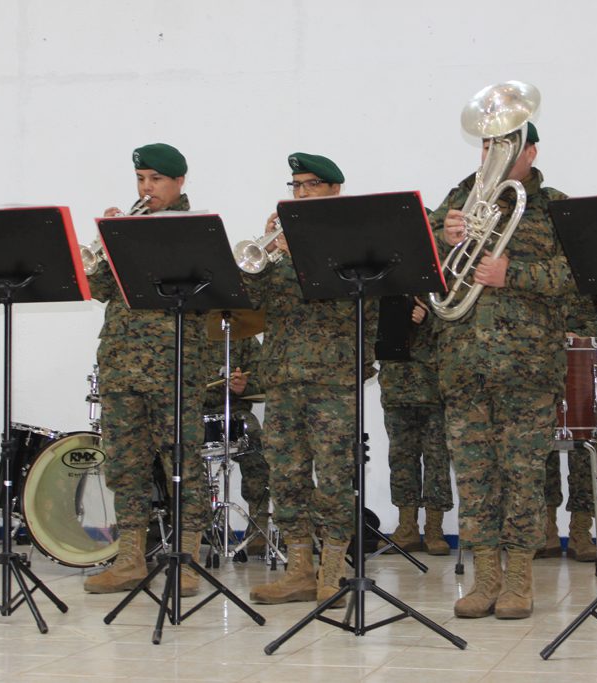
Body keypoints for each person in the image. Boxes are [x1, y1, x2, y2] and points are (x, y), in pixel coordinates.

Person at [431, 121, 572, 619]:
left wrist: (514, 274)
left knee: (522, 476)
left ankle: (519, 581)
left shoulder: (555, 206)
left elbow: (577, 274)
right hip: (463, 363)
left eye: (504, 145)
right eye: (487, 144)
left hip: (527, 366)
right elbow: (420, 264)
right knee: (474, 478)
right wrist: (442, 237)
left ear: (530, 152)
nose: (491, 153)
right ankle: (486, 577)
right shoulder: (458, 199)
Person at [243, 153, 377, 608]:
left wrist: (302, 252)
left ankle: (332, 573)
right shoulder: (281, 246)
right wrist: (262, 259)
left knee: (335, 477)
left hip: (333, 378)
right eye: (296, 185)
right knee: (286, 476)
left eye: (311, 184)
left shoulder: (354, 242)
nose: (301, 193)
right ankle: (299, 571)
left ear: (335, 190)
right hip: (283, 377)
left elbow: (352, 301)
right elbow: (250, 301)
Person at [84, 143, 210, 597]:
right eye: (141, 179)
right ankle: (129, 559)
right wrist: (107, 244)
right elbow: (98, 287)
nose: (146, 188)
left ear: (179, 182)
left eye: (156, 179)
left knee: (183, 463)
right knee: (125, 465)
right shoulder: (127, 229)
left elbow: (210, 292)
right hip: (121, 365)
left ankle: (188, 560)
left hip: (174, 367)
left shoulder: (196, 231)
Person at [538, 293, 597, 562]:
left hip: (585, 357)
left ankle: (581, 531)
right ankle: (544, 529)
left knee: (587, 443)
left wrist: (582, 334)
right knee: (537, 445)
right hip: (536, 356)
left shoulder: (594, 264)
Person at [378, 296, 453, 556]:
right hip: (395, 387)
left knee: (437, 460)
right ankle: (407, 528)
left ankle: (434, 529)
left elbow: (457, 329)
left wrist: (428, 318)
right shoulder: (386, 287)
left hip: (434, 388)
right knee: (401, 460)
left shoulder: (440, 290)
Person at [200, 329, 271, 556]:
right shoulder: (183, 328)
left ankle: (258, 525)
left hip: (234, 413)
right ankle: (191, 525)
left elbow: (266, 378)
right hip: (189, 413)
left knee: (257, 444)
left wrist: (245, 386)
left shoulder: (241, 334)